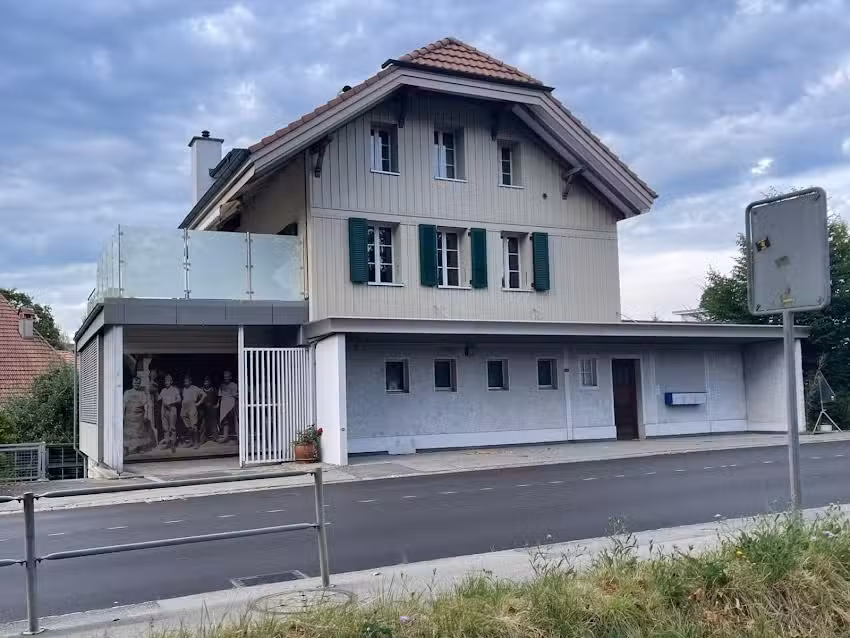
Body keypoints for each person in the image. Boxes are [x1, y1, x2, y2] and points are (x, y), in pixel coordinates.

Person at [123, 376, 150, 456]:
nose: (136, 384)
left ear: (140, 383)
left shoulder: (142, 393)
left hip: (139, 417)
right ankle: (126, 449)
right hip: (129, 416)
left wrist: (146, 415)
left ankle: (139, 448)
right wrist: (122, 415)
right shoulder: (127, 393)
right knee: (128, 433)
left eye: (138, 383)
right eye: (135, 382)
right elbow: (123, 405)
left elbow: (146, 405)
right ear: (132, 383)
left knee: (139, 433)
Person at [180, 375, 205, 449]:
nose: (186, 382)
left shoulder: (195, 388)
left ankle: (196, 443)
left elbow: (204, 395)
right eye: (185, 381)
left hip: (192, 408)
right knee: (188, 427)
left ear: (190, 382)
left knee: (194, 426)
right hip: (184, 409)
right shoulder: (184, 389)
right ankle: (191, 442)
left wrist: (198, 403)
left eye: (187, 381)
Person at [158, 374, 181, 453]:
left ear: (171, 381)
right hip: (164, 410)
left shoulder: (175, 389)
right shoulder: (163, 390)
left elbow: (179, 399)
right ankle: (167, 443)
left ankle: (173, 444)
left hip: (172, 409)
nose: (166, 382)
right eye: (165, 381)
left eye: (168, 381)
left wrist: (171, 403)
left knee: (172, 428)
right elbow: (158, 398)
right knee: (165, 428)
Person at [218, 370, 239, 443]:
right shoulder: (222, 385)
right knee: (225, 421)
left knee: (236, 421)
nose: (226, 377)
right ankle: (225, 437)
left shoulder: (234, 385)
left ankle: (239, 437)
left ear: (230, 377)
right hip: (224, 405)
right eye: (225, 376)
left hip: (232, 404)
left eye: (227, 376)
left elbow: (237, 394)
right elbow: (220, 396)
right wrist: (218, 404)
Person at [200, 376, 219, 444]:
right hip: (204, 409)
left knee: (213, 423)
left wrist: (217, 404)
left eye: (208, 381)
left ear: (210, 382)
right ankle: (202, 439)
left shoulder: (213, 389)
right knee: (203, 424)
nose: (206, 383)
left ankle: (215, 437)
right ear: (203, 382)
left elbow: (218, 397)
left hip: (212, 408)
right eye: (205, 381)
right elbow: (199, 398)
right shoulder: (201, 389)